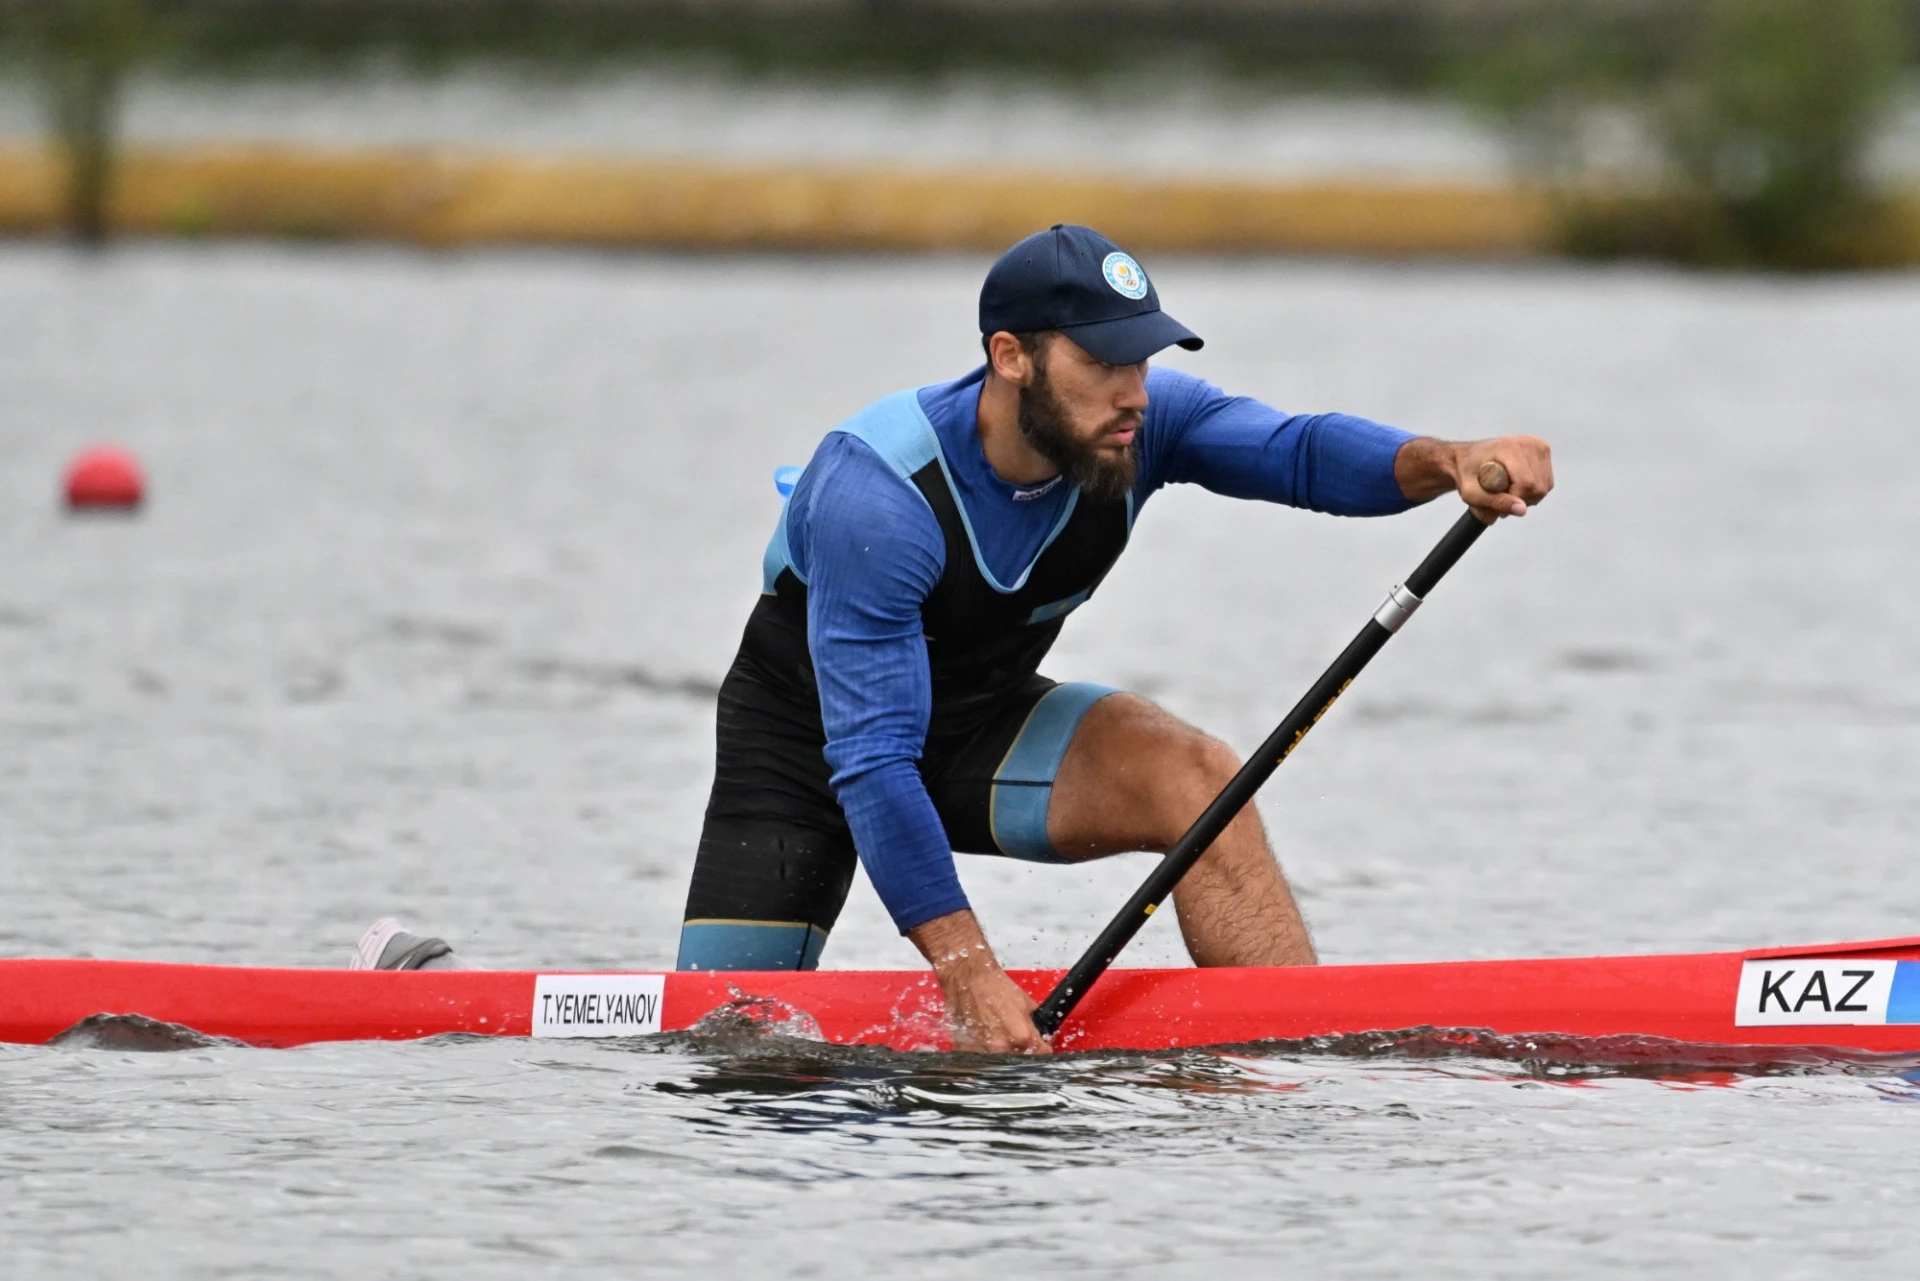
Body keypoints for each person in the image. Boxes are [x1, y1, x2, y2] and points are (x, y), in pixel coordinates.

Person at [353, 225, 1553, 1056]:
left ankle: (1303, 1044)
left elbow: (1299, 452)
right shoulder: (877, 495)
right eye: (1103, 361)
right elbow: (871, 765)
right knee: (723, 1045)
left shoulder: (1141, 427)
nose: (1134, 390)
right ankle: (434, 989)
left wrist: (1443, 461)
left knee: (1200, 778)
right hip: (812, 750)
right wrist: (970, 977)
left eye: (1143, 360)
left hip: (975, 723)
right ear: (1012, 357)